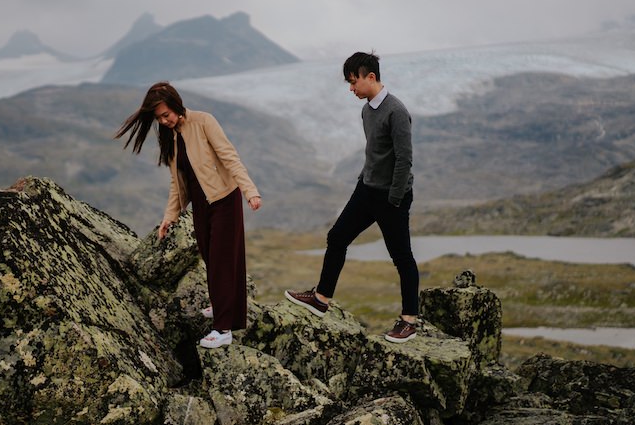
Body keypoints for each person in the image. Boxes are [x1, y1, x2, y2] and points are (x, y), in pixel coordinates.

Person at [285, 52, 420, 343]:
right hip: (367, 189)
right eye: (349, 83)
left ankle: (409, 320)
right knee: (337, 237)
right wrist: (364, 180)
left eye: (353, 81)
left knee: (402, 257)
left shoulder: (396, 111)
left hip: (392, 197)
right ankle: (321, 298)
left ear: (370, 77)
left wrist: (394, 199)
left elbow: (404, 160)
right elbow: (375, 152)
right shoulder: (367, 111)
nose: (351, 88)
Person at [116, 81, 262, 348]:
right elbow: (177, 182)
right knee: (210, 256)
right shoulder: (170, 137)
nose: (163, 121)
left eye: (166, 115)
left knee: (221, 260)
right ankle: (223, 305)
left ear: (175, 105)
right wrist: (169, 217)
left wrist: (249, 190)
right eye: (159, 118)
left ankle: (223, 329)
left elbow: (230, 157)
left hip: (224, 200)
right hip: (201, 205)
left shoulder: (204, 121)